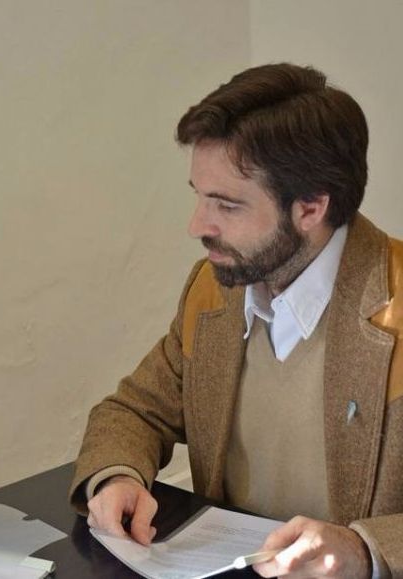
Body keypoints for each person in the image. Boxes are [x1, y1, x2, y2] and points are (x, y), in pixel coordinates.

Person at [70, 63, 403, 578]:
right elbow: (135, 410)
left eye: (226, 205)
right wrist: (117, 478)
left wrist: (365, 549)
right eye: (199, 195)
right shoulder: (215, 291)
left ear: (311, 207)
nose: (197, 226)